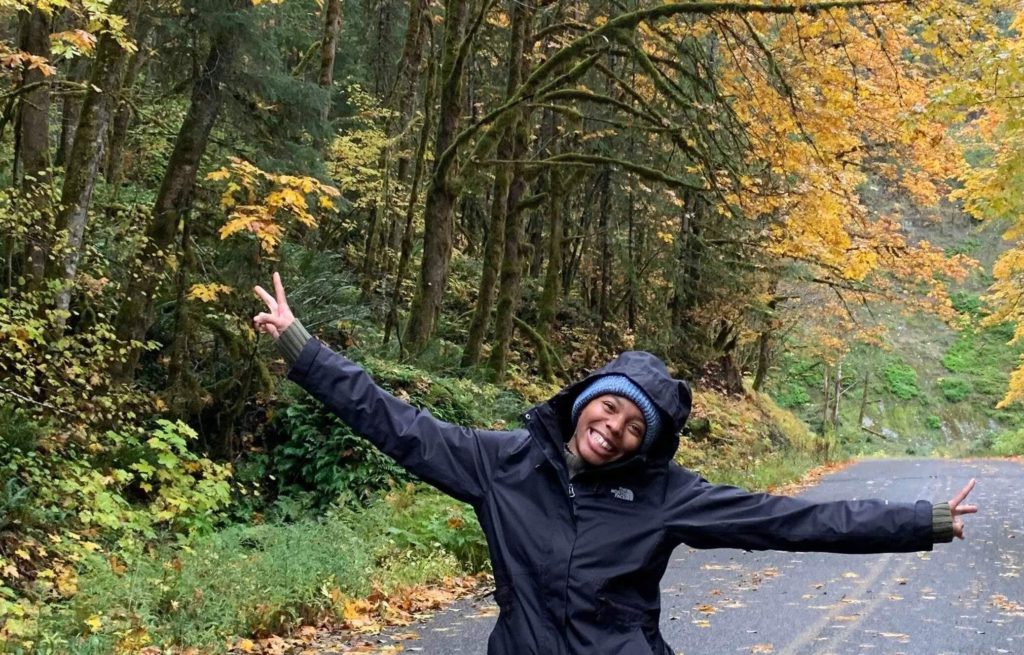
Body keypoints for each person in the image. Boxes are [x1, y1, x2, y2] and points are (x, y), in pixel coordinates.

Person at [253, 272, 977, 655]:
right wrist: (303, 352)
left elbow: (790, 520)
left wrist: (926, 518)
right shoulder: (501, 462)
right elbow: (397, 423)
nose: (614, 430)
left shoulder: (664, 495)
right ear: (583, 402)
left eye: (635, 428)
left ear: (646, 443)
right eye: (609, 409)